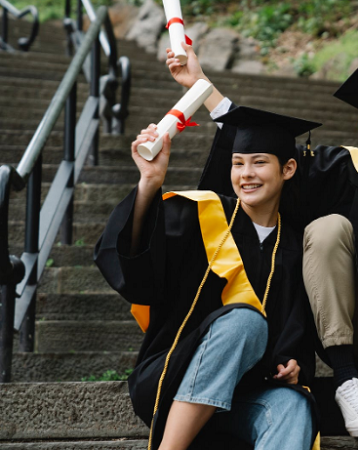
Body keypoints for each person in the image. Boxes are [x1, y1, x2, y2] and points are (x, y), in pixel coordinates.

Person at [164, 44, 358, 449]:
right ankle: (346, 382)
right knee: (327, 229)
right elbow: (264, 161)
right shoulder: (342, 168)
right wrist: (202, 88)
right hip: (349, 320)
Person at [94, 106, 321, 450]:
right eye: (237, 163)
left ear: (288, 168)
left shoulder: (295, 246)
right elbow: (138, 270)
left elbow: (296, 332)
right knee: (246, 320)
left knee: (295, 405)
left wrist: (294, 366)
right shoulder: (200, 216)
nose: (246, 174)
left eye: (259, 162)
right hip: (174, 378)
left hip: (245, 393)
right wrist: (150, 182)